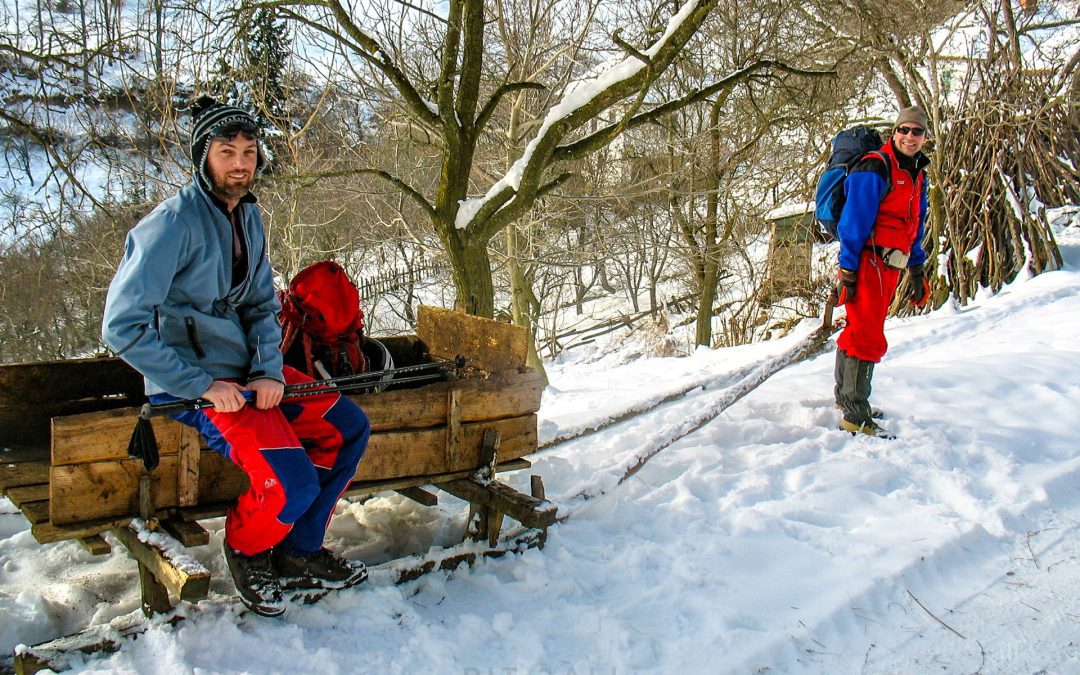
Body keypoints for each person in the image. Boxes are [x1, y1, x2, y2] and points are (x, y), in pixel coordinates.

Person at [102, 96, 371, 616]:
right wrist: (200, 385)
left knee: (347, 426)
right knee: (291, 484)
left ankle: (299, 550)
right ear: (204, 156)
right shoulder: (171, 226)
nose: (241, 162)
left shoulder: (248, 217)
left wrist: (269, 368)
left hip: (249, 376)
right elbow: (121, 325)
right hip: (197, 387)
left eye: (249, 151)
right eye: (227, 151)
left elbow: (257, 305)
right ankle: (249, 550)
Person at [833, 105, 933, 438]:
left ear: (924, 137)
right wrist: (848, 269)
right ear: (895, 132)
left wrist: (917, 268)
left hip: (892, 265)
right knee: (867, 335)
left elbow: (914, 224)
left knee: (859, 329)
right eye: (904, 130)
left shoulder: (918, 172)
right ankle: (855, 414)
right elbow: (853, 222)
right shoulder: (875, 166)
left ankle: (846, 398)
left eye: (917, 132)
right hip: (868, 262)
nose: (910, 137)